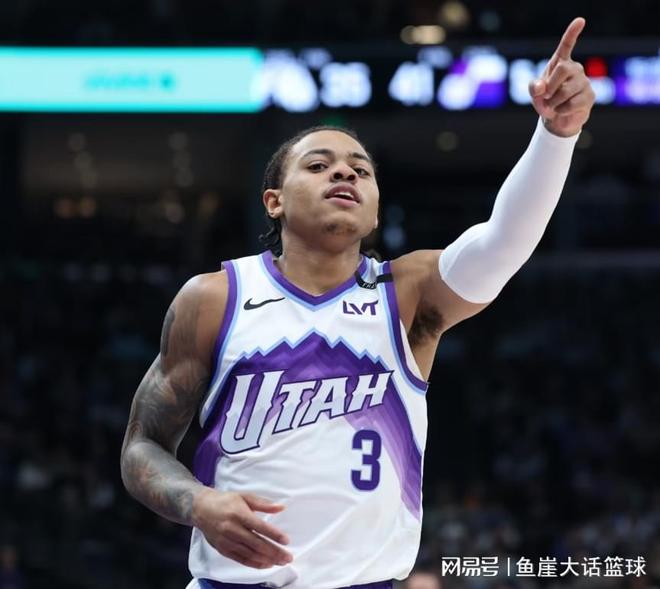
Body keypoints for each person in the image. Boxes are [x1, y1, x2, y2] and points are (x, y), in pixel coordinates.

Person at [120, 17, 595, 589]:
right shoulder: (215, 298)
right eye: (318, 165)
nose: (344, 170)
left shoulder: (409, 294)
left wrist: (556, 135)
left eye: (360, 169)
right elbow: (143, 446)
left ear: (372, 211)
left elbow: (502, 243)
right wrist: (198, 503)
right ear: (274, 201)